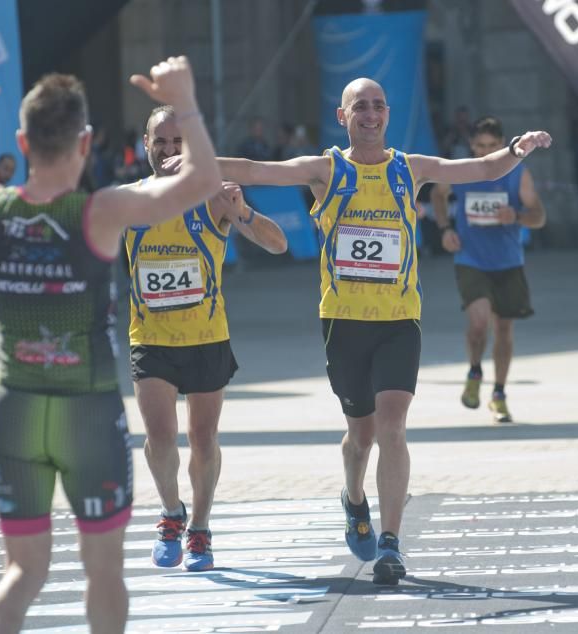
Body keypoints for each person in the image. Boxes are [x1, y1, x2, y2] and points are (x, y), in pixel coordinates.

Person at [0, 56, 221, 633]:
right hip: (87, 413)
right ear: (86, 142)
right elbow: (200, 181)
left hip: (15, 410)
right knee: (103, 575)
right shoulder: (101, 212)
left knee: (21, 574)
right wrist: (186, 101)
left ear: (22, 140)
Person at [216, 77, 551, 585]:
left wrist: (516, 149)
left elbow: (480, 169)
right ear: (342, 116)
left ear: (388, 114)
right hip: (344, 322)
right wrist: (196, 165)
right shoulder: (325, 169)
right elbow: (254, 169)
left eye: (378, 106)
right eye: (360, 107)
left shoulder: (408, 168)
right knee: (361, 436)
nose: (370, 115)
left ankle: (392, 543)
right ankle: (353, 497)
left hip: (398, 320)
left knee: (393, 425)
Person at [126, 104, 287, 571]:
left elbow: (278, 245)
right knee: (159, 436)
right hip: (150, 338)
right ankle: (170, 514)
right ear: (146, 146)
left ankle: (200, 528)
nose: (170, 151)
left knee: (202, 437)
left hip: (206, 338)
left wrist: (243, 213)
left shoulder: (215, 197)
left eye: (180, 143)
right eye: (162, 142)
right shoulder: (129, 200)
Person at [429, 116, 546, 424]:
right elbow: (437, 194)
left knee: (504, 329)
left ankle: (499, 394)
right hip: (471, 260)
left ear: (503, 144)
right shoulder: (463, 170)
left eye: (492, 146)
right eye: (480, 146)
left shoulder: (518, 172)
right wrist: (444, 229)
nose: (485, 152)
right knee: (479, 324)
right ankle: (474, 370)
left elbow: (539, 216)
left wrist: (518, 216)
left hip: (508, 261)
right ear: (472, 146)